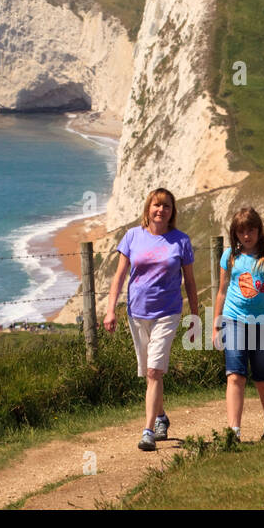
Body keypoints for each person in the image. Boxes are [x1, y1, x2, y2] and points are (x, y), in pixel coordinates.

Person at [103, 188, 198, 451]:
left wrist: (195, 316)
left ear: (172, 212)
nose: (161, 210)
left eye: (166, 206)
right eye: (157, 205)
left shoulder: (181, 241)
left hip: (167, 313)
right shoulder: (132, 236)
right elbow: (119, 277)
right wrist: (111, 310)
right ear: (148, 209)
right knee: (149, 373)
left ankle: (148, 432)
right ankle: (161, 417)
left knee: (155, 371)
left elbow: (189, 281)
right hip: (137, 313)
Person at [214, 207, 264, 440]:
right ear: (235, 233)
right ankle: (234, 431)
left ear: (259, 229)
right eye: (241, 231)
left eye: (251, 230)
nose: (247, 236)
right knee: (235, 375)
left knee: (262, 376)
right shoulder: (229, 256)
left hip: (263, 322)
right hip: (233, 319)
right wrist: (216, 323)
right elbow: (222, 291)